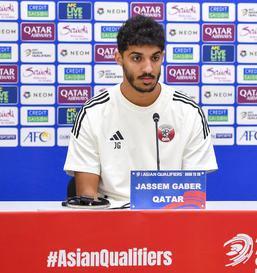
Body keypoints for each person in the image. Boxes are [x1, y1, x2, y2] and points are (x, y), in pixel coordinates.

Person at [64, 15, 217, 202]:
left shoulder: (190, 113)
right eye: (137, 58)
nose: (148, 69)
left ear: (163, 57)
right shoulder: (93, 113)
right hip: (111, 220)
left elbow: (193, 199)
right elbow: (87, 199)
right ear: (119, 58)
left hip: (169, 220)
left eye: (155, 58)